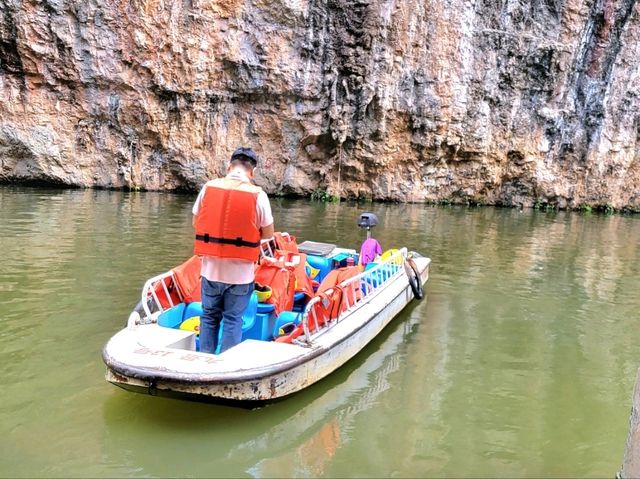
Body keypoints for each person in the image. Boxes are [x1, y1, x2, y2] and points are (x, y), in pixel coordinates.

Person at [192, 147, 274, 354]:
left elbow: (196, 222)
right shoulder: (258, 195)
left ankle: (205, 360)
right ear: (252, 172)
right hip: (240, 275)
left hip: (210, 271)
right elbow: (268, 234)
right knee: (232, 319)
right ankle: (225, 365)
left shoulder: (209, 187)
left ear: (229, 166)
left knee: (209, 317)